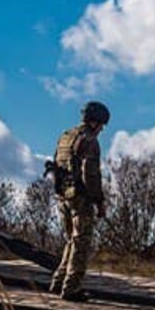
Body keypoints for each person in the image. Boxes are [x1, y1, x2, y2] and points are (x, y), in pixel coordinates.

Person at [46, 101, 109, 298]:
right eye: (101, 126)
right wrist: (99, 201)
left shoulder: (67, 136)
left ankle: (58, 282)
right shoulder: (89, 140)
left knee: (71, 241)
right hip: (80, 197)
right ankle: (71, 288)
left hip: (63, 194)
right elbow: (91, 174)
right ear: (95, 122)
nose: (101, 130)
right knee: (81, 242)